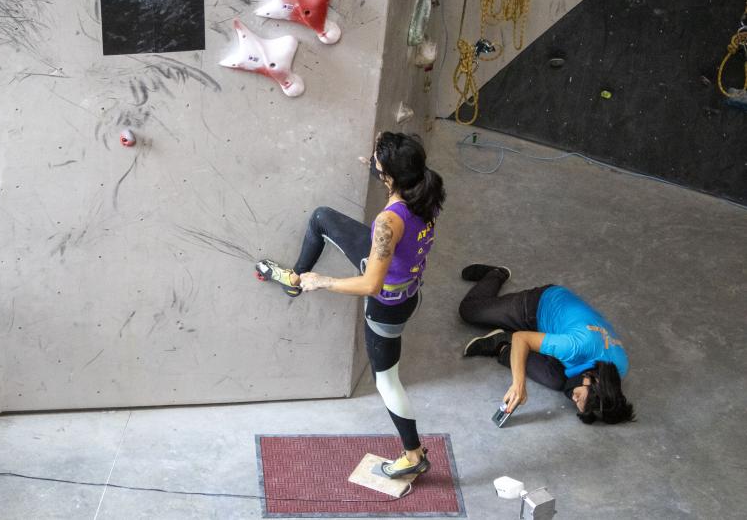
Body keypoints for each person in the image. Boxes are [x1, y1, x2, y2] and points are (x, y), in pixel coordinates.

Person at [256, 132, 446, 478]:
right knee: (322, 217)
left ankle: (413, 454)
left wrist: (323, 281)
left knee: (386, 381)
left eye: (377, 163)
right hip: (408, 287)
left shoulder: (389, 222)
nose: (373, 163)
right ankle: (294, 280)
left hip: (386, 304)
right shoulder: (426, 190)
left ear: (391, 176)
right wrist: (379, 167)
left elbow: (371, 284)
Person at [458, 264, 635, 424]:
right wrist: (518, 384)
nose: (574, 400)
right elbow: (521, 338)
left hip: (563, 335)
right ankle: (496, 273)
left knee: (558, 381)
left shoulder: (617, 370)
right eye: (579, 397)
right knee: (470, 311)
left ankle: (502, 345)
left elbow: (583, 388)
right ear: (592, 379)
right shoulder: (575, 347)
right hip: (540, 306)